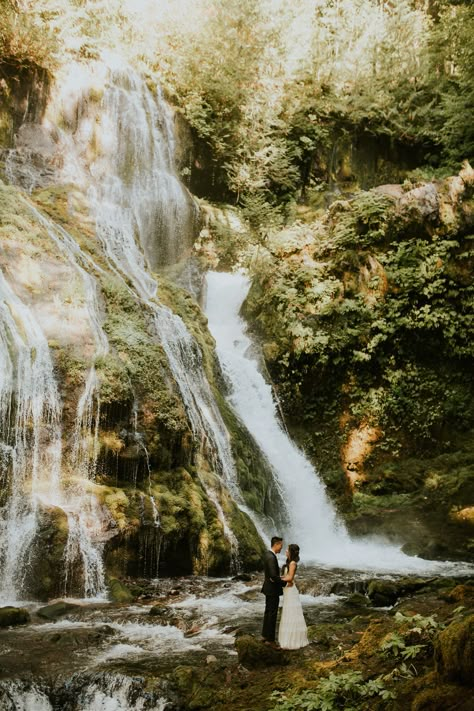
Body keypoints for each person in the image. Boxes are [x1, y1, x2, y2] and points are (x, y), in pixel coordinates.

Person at [278, 543, 309, 650]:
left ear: (291, 552)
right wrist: (280, 577)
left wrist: (277, 579)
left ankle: (293, 641)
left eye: (287, 550)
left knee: (291, 613)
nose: (285, 551)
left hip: (291, 591)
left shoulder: (292, 563)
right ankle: (290, 639)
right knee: (288, 612)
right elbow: (286, 577)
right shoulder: (289, 563)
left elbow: (290, 578)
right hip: (288, 590)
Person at [261, 535, 286, 646]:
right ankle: (270, 640)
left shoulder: (267, 554)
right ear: (276, 544)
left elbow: (272, 576)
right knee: (272, 614)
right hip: (272, 589)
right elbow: (273, 576)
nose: (281, 548)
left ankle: (265, 635)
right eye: (281, 545)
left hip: (268, 588)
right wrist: (284, 583)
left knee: (268, 612)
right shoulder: (271, 557)